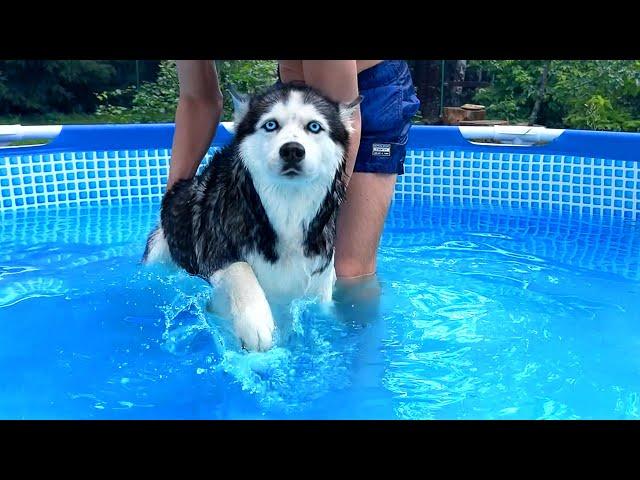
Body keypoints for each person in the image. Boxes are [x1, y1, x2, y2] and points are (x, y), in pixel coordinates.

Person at [167, 60, 420, 283]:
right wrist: (172, 209)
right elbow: (198, 100)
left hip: (364, 97)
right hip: (296, 96)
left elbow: (342, 114)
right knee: (273, 267)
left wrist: (321, 220)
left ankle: (362, 335)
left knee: (346, 271)